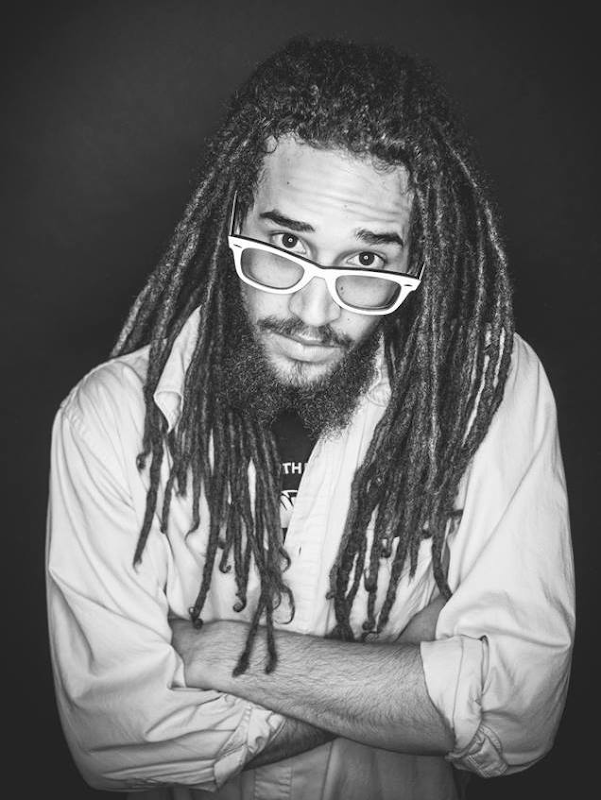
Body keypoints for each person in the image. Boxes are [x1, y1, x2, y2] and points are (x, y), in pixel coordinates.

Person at [46, 37, 575, 800]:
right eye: (286, 244)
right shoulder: (110, 419)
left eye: (365, 263)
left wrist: (220, 653)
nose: (314, 312)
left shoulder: (485, 386)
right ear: (233, 221)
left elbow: (516, 711)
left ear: (415, 261)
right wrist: (404, 665)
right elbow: (122, 744)